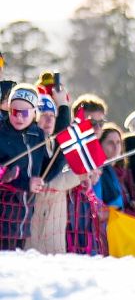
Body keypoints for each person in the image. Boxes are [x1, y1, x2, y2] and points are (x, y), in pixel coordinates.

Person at [0, 84, 69, 250]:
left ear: (33, 112)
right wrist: (22, 182)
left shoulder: (37, 135)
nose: (19, 117)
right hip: (3, 216)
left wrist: (64, 109)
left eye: (24, 113)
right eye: (14, 112)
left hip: (23, 219)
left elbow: (48, 170)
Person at [25, 93, 82, 253]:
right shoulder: (31, 145)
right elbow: (46, 182)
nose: (49, 120)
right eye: (44, 115)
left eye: (52, 115)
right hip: (34, 231)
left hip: (54, 229)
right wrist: (80, 174)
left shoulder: (50, 145)